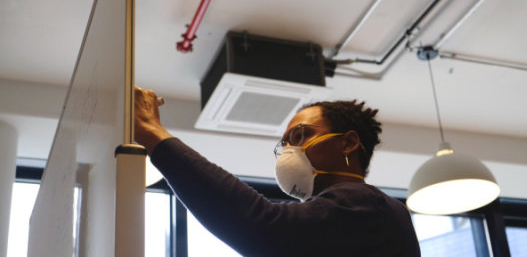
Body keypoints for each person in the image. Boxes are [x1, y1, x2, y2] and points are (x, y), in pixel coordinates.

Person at [135, 86, 421, 257]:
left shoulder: (366, 204)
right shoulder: (348, 217)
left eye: (299, 136)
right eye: (283, 145)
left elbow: (261, 226)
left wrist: (153, 134)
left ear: (348, 143)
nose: (288, 152)